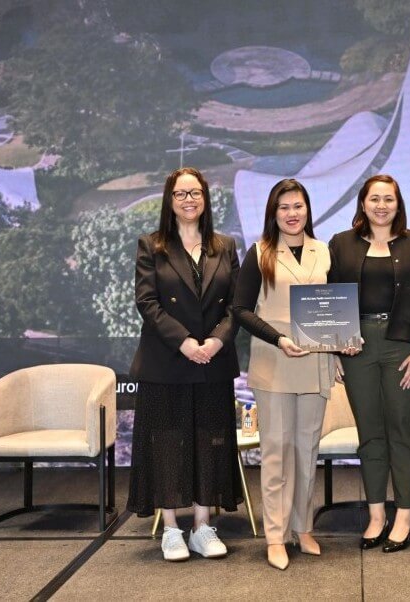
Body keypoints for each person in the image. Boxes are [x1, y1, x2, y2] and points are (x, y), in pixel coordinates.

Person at [127, 167, 242, 561]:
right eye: (180, 193)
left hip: (212, 361)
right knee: (168, 444)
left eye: (195, 192)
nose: (189, 199)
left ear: (206, 198)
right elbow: (148, 302)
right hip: (167, 364)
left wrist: (214, 341)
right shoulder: (151, 245)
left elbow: (236, 306)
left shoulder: (225, 246)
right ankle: (172, 529)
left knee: (210, 442)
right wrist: (185, 343)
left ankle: (203, 527)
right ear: (169, 200)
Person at [328, 174, 410, 553]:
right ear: (362, 203)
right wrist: (333, 348)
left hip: (403, 349)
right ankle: (376, 515)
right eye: (374, 198)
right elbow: (329, 299)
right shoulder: (340, 244)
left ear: (398, 204)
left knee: (402, 432)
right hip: (355, 349)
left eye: (388, 199)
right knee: (370, 434)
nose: (381, 205)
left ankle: (404, 515)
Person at [233, 179, 338, 571]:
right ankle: (275, 535)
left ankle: (303, 527)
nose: (292, 214)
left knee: (306, 450)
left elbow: (334, 307)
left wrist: (343, 342)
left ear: (308, 210)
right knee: (276, 452)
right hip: (275, 364)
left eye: (298, 206)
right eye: (284, 208)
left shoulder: (324, 251)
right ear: (273, 213)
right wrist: (278, 339)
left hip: (315, 364)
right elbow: (241, 310)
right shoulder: (259, 253)